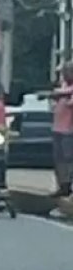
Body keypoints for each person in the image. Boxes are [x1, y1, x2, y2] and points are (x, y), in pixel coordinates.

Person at [49, 62, 73, 197]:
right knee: (58, 159)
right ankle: (62, 185)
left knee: (68, 158)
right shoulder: (63, 87)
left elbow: (68, 99)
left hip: (69, 131)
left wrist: (59, 95)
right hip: (58, 128)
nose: (65, 76)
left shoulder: (67, 91)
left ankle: (67, 185)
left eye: (67, 72)